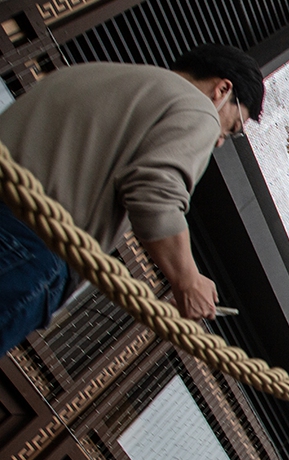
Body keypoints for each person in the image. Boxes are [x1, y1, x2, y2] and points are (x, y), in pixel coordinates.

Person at [0, 44, 263, 355]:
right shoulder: (200, 110)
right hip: (28, 241)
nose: (219, 141)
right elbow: (156, 194)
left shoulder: (91, 72)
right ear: (222, 90)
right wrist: (188, 278)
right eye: (232, 128)